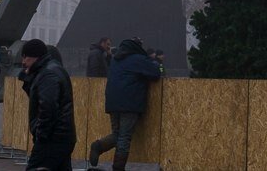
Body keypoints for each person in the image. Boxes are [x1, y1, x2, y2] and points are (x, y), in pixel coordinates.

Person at [87, 37, 163, 171]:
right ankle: (118, 168)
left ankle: (98, 146)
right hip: (129, 102)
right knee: (124, 137)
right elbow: (156, 72)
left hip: (112, 102)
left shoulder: (115, 60)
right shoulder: (138, 59)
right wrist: (154, 63)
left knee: (117, 134)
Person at [19, 38, 76, 171]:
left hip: (52, 139)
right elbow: (39, 98)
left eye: (25, 57)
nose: (23, 62)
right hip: (62, 137)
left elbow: (48, 107)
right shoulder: (51, 69)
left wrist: (41, 134)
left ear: (35, 57)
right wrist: (27, 78)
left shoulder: (47, 74)